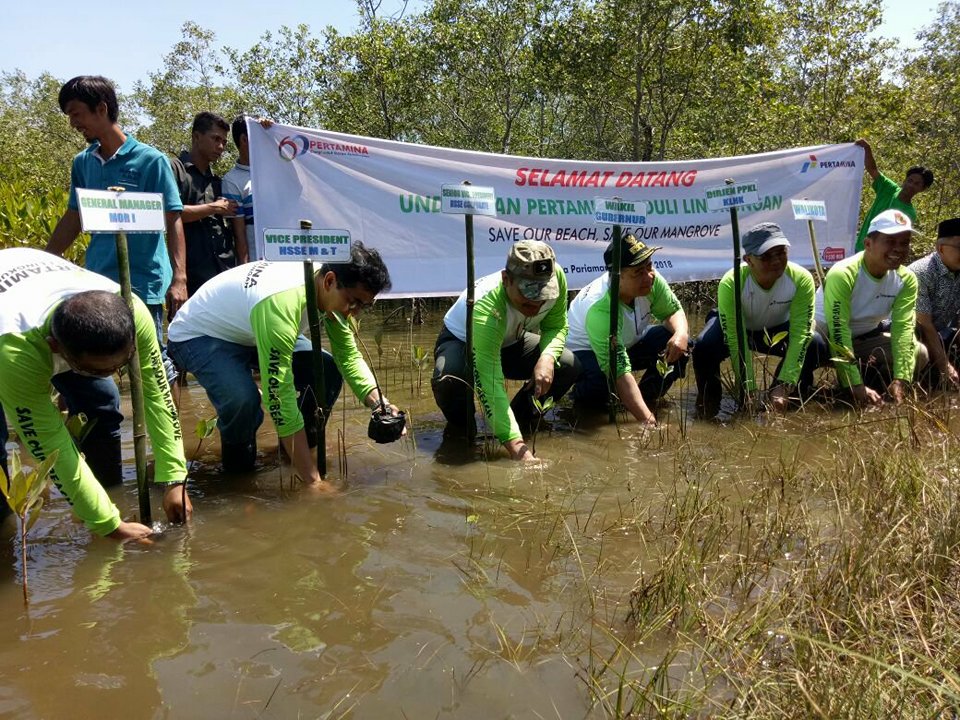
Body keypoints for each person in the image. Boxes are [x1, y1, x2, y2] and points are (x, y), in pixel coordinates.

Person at [166, 242, 400, 492]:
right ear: (329, 281)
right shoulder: (283, 302)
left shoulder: (330, 285)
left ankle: (297, 452)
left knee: (327, 370)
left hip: (251, 329)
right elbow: (279, 395)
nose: (355, 313)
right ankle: (238, 478)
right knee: (241, 400)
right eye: (354, 303)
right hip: (201, 335)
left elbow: (348, 356)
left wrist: (380, 404)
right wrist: (313, 482)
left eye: (364, 306)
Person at [44, 75, 186, 483]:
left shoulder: (151, 160)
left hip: (143, 281)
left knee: (154, 367)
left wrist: (179, 277)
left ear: (102, 109)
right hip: (96, 280)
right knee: (89, 369)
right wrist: (46, 259)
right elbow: (74, 216)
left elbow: (172, 217)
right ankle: (100, 464)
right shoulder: (83, 163)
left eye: (76, 114)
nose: (73, 123)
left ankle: (167, 460)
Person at [0, 248, 191, 540]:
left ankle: (104, 496)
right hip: (11, 333)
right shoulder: (14, 354)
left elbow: (157, 393)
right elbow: (47, 440)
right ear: (56, 348)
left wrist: (175, 478)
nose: (114, 373)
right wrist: (108, 525)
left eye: (121, 365)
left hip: (36, 289)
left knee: (102, 403)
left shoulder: (132, 309)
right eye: (99, 369)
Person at [431, 241, 579, 461]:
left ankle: (519, 420)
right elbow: (490, 383)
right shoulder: (486, 306)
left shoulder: (556, 277)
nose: (536, 304)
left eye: (543, 294)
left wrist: (547, 357)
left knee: (567, 364)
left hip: (512, 340)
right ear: (506, 280)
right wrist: (519, 451)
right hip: (462, 340)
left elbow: (556, 325)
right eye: (528, 294)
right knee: (449, 377)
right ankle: (464, 433)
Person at [693, 222, 828, 418]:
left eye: (781, 252)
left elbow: (801, 333)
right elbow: (735, 338)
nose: (776, 261)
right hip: (739, 329)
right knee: (704, 347)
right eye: (766, 256)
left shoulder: (801, 279)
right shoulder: (732, 283)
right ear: (748, 259)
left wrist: (784, 384)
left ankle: (783, 397)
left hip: (776, 328)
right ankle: (709, 404)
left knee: (815, 344)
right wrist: (749, 388)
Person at [566, 234, 689, 424]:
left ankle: (647, 398)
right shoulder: (599, 307)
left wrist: (681, 334)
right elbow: (618, 370)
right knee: (603, 384)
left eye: (650, 266)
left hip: (629, 341)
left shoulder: (651, 279)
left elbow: (672, 312)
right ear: (618, 276)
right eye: (638, 272)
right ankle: (580, 400)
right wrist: (648, 422)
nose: (648, 276)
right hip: (586, 352)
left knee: (680, 343)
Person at [815, 209, 928, 406]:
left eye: (904, 243)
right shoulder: (843, 273)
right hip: (824, 340)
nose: (899, 249)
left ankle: (880, 387)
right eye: (890, 242)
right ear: (868, 244)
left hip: (861, 339)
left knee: (920, 353)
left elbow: (903, 329)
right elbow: (838, 332)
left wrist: (902, 378)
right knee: (811, 343)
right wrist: (854, 384)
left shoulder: (906, 279)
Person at [170, 111, 243, 296]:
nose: (220, 146)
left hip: (224, 273)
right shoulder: (174, 170)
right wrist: (213, 208)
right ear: (196, 136)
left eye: (224, 142)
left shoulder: (218, 182)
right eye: (215, 139)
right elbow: (171, 214)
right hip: (189, 278)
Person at [854, 139, 934, 252]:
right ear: (905, 180)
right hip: (859, 248)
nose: (911, 185)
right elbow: (872, 169)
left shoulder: (909, 213)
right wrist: (867, 148)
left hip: (878, 256)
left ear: (923, 189)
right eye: (910, 180)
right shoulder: (888, 189)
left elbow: (898, 238)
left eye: (917, 184)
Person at [908, 217, 960, 389]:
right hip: (913, 336)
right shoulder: (922, 272)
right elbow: (924, 324)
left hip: (942, 334)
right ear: (940, 248)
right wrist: (945, 367)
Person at [222, 115, 258, 263]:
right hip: (258, 263)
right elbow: (239, 234)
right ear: (244, 139)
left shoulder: (276, 170)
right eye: (258, 136)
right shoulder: (231, 180)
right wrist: (244, 268)